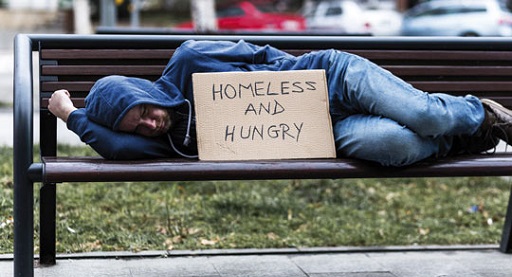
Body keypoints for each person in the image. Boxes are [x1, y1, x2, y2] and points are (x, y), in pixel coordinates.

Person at [48, 39, 512, 166]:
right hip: (323, 134)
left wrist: (293, 90)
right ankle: (463, 142)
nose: (148, 124)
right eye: (137, 126)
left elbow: (262, 53)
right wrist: (72, 115)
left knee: (424, 114)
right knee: (399, 145)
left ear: (143, 92)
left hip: (332, 80)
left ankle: (483, 114)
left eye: (144, 111)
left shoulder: (190, 60)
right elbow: (118, 148)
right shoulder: (170, 143)